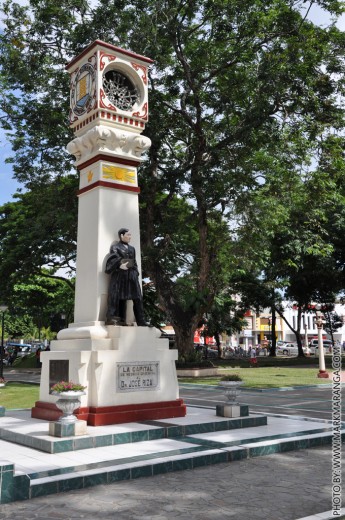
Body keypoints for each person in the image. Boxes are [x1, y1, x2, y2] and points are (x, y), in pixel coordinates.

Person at [105, 228, 148, 326]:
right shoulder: (115, 247)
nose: (130, 237)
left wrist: (136, 272)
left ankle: (141, 320)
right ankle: (116, 318)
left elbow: (135, 261)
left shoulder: (132, 248)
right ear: (121, 235)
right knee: (118, 296)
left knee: (137, 297)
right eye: (128, 235)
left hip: (132, 275)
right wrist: (120, 265)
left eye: (130, 235)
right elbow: (113, 258)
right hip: (120, 275)